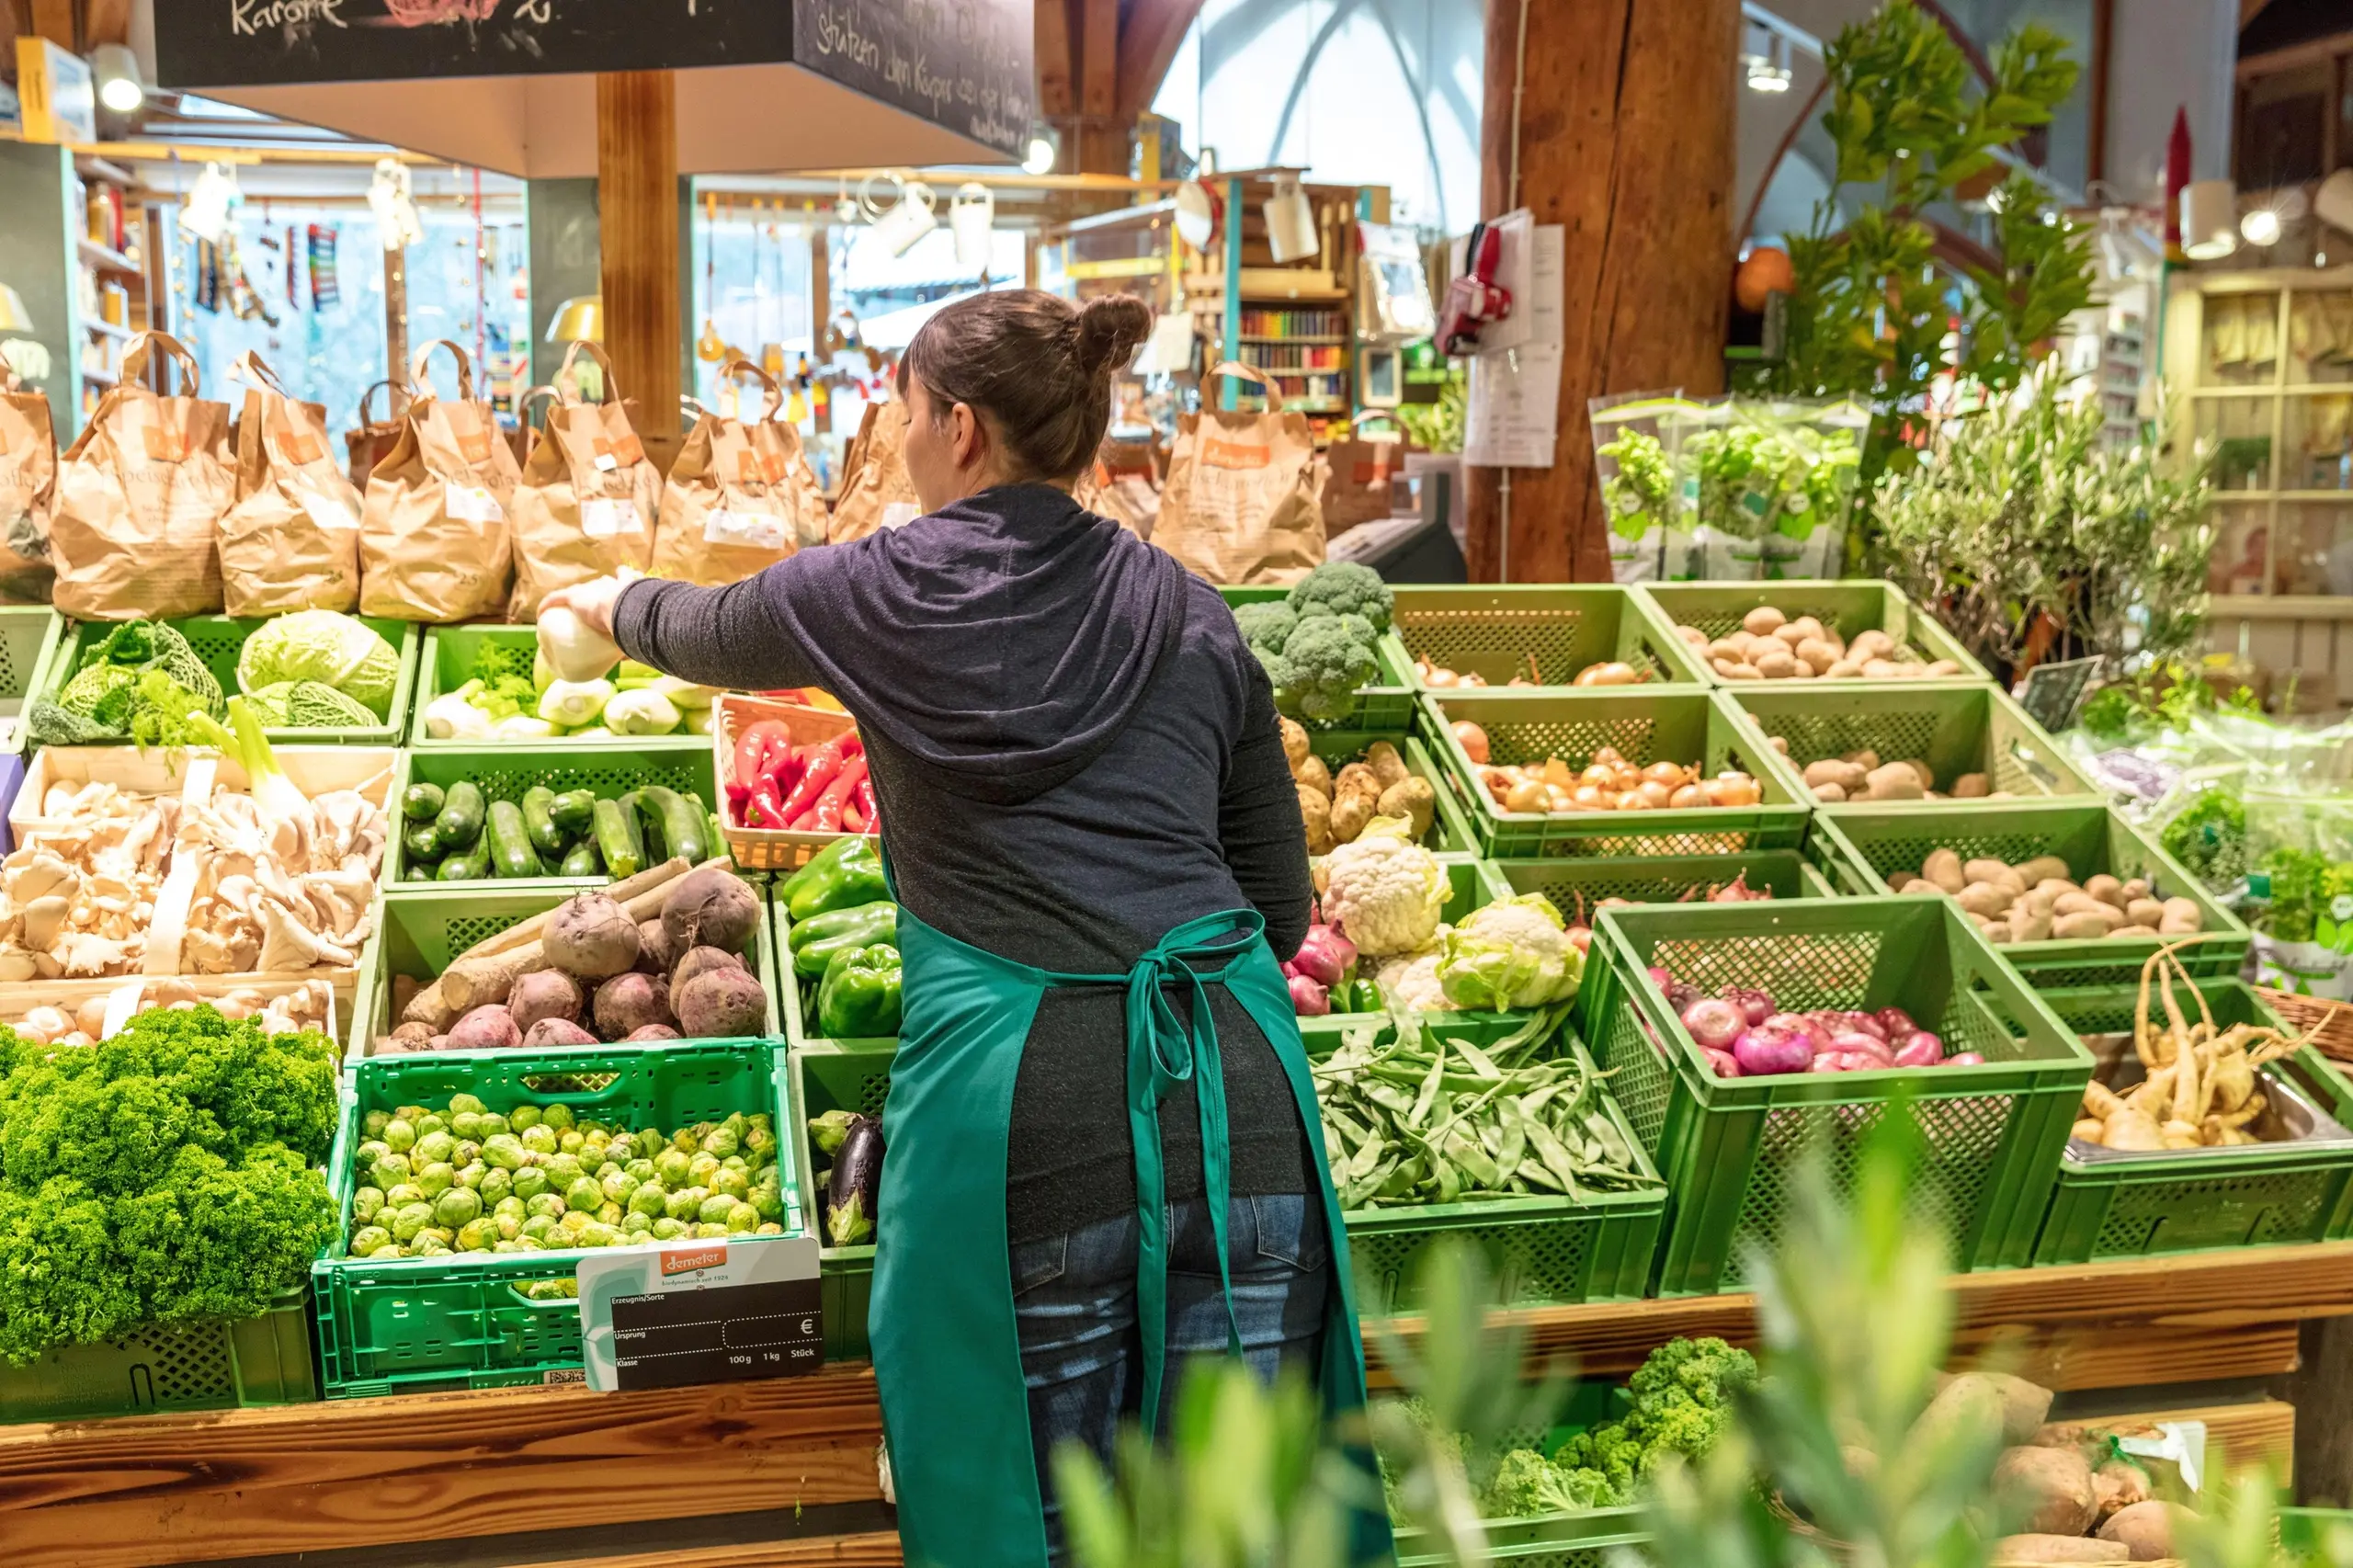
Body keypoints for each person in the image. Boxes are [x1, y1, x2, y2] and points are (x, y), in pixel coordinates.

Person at [541, 290, 1389, 1567]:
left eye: (900, 407)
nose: (893, 430)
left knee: (1035, 1524)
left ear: (959, 426)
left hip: (1023, 1123)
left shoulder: (878, 590)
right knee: (1241, 1531)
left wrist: (600, 600)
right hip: (1240, 1107)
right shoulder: (1194, 611)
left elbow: (697, 627)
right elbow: (1275, 907)